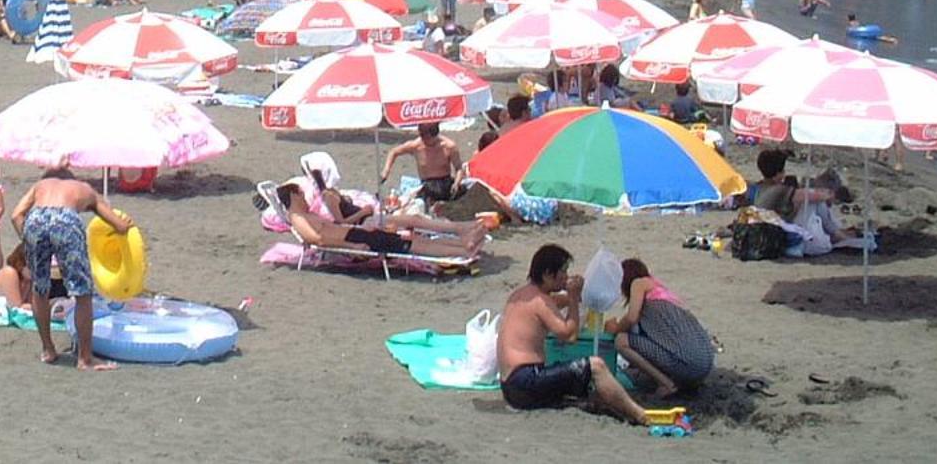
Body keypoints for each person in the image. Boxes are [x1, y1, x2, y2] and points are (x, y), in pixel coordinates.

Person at [496, 243, 648, 424]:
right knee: (595, 365)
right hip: (526, 380)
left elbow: (557, 302)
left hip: (511, 386)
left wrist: (580, 294)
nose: (566, 277)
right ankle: (639, 414)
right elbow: (569, 335)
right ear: (547, 274)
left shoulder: (522, 295)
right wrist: (574, 298)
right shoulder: (539, 301)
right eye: (563, 272)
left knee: (576, 385)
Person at [9, 165, 135, 371]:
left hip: (35, 220)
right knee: (82, 292)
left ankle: (48, 350)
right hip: (65, 222)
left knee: (39, 289)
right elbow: (119, 226)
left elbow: (15, 216)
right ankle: (85, 359)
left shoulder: (41, 185)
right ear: (72, 179)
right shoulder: (85, 189)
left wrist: (28, 240)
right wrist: (126, 224)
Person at [275, 179, 486, 259]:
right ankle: (463, 249)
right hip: (355, 237)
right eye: (301, 194)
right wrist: (354, 245)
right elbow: (317, 239)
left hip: (356, 233)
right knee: (411, 244)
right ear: (293, 195)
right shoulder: (298, 217)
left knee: (413, 240)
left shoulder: (305, 214)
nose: (305, 197)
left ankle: (462, 243)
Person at [605, 258, 714, 398]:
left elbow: (631, 317)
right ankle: (677, 381)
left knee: (621, 341)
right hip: (704, 362)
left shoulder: (640, 283)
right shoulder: (660, 291)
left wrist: (615, 329)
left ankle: (666, 384)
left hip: (688, 363)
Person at [383, 123, 465, 205]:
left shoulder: (449, 146)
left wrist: (457, 183)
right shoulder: (416, 145)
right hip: (427, 185)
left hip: (446, 183)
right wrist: (386, 171)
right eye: (422, 135)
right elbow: (394, 152)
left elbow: (459, 168)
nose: (424, 139)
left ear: (435, 133)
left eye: (427, 136)